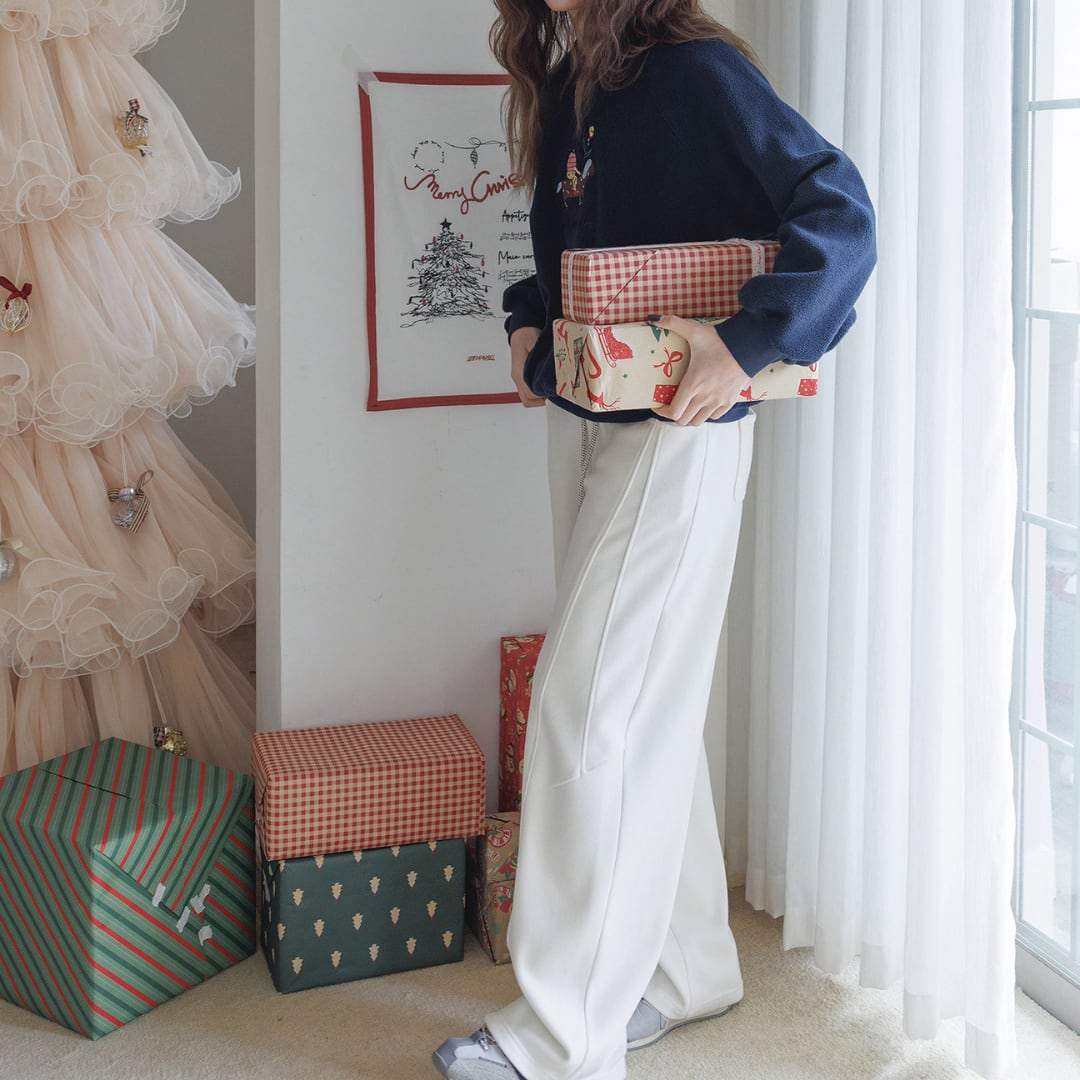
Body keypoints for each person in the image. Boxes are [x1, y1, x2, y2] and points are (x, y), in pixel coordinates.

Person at [434, 2, 876, 1078]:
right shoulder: (574, 78)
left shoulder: (692, 70)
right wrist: (527, 316)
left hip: (676, 430)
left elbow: (840, 210)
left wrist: (749, 341)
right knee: (640, 706)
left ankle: (561, 1039)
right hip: (588, 419)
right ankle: (684, 968)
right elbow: (582, 254)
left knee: (589, 710)